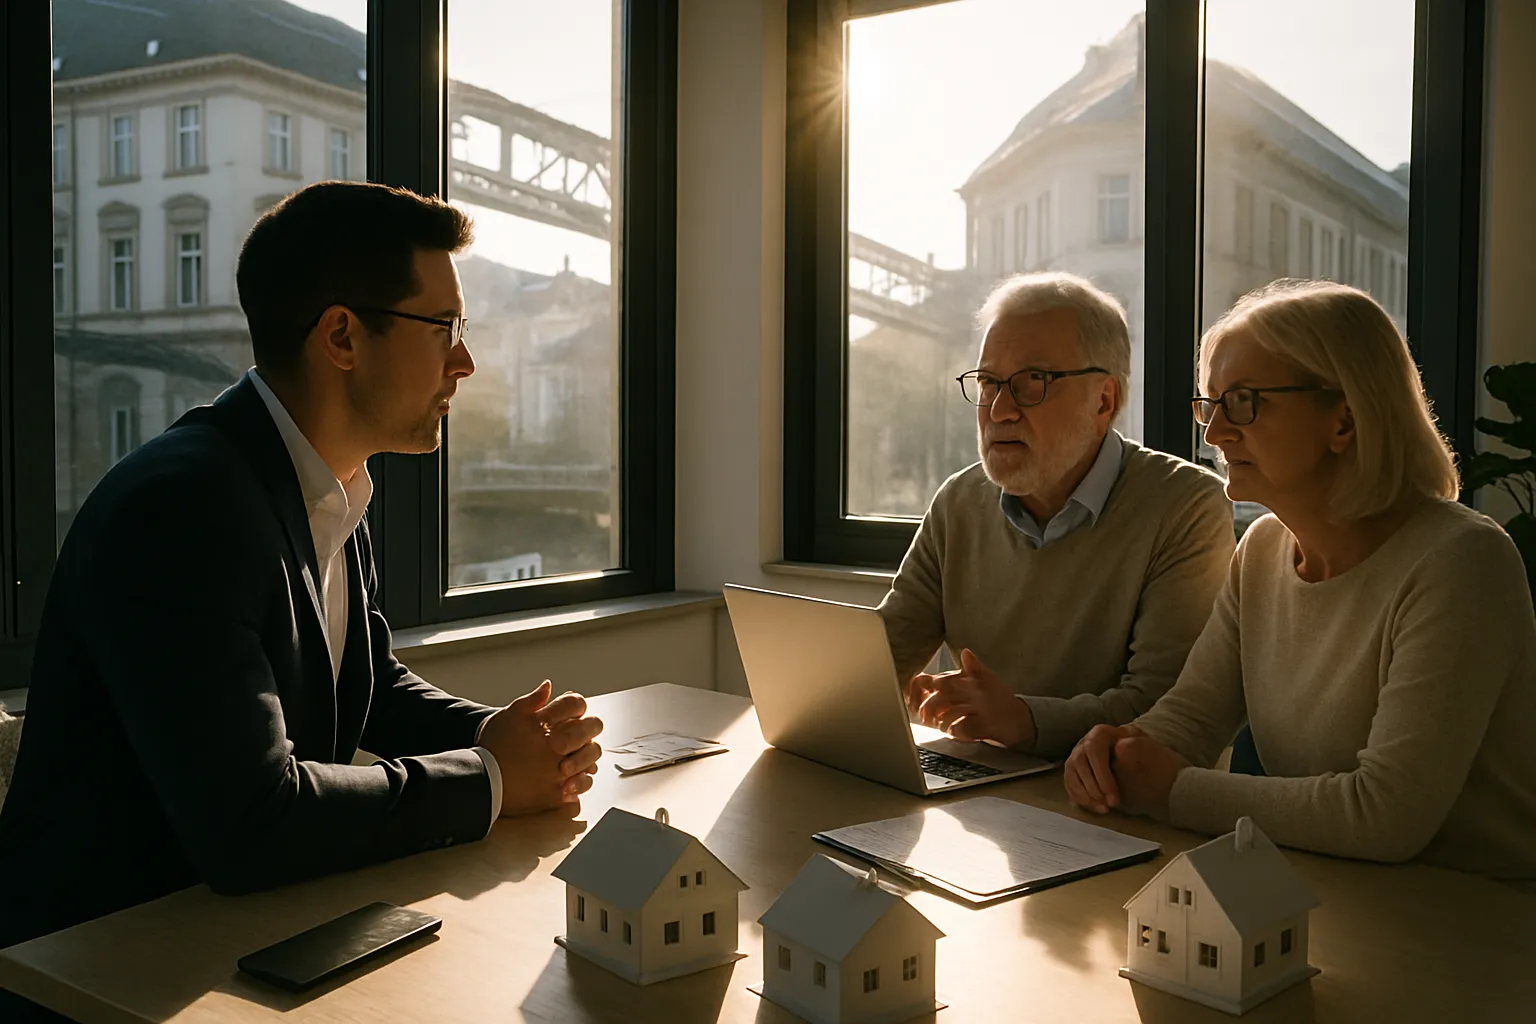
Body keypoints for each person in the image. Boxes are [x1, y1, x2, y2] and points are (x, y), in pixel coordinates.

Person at [0, 183, 606, 965]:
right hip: (94, 962)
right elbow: (253, 821)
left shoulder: (324, 481)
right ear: (343, 336)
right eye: (443, 327)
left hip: (227, 934)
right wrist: (488, 780)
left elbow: (369, 682)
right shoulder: (184, 510)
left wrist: (497, 737)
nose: (466, 360)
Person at [1064, 280, 1536, 886]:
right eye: (1210, 405)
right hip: (1330, 892)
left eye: (1243, 403)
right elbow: (1190, 719)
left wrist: (1174, 790)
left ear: (1343, 419)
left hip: (1470, 924)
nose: (1214, 433)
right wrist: (1115, 753)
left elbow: (1385, 815)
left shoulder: (1461, 562)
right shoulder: (1261, 550)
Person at [884, 272, 1235, 762]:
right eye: (988, 382)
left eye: (1032, 383)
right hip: (982, 797)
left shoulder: (1186, 506)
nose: (999, 410)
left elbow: (1166, 710)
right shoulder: (959, 501)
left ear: (1103, 401)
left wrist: (1023, 720)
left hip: (1121, 810)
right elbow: (884, 659)